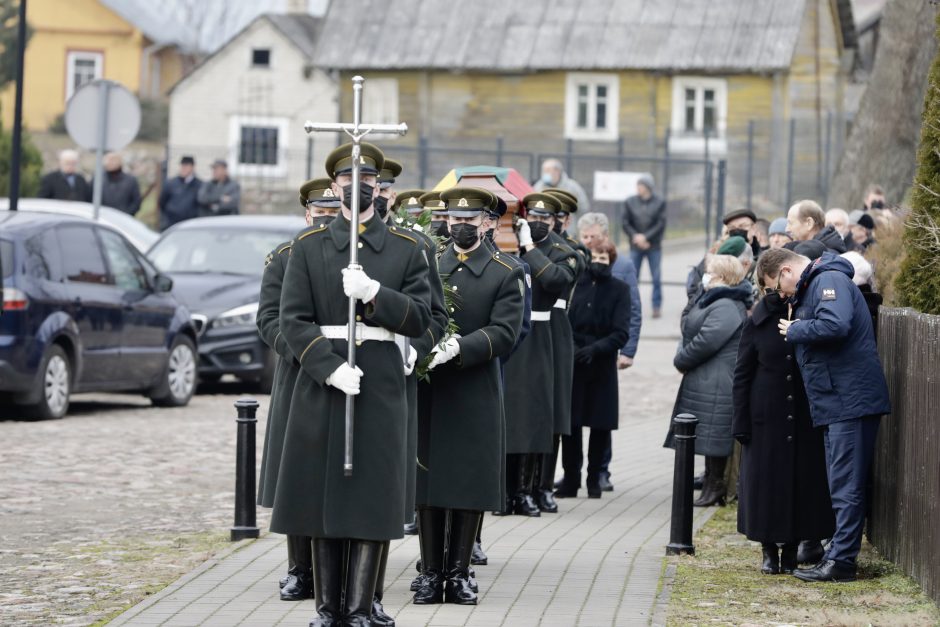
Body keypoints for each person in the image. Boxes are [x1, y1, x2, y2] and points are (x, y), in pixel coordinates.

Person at [272, 142, 432, 626]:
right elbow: (291, 320)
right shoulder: (308, 247)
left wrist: (376, 295)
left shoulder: (409, 248)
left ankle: (361, 608)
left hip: (379, 379)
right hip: (323, 382)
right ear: (335, 187)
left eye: (368, 181)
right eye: (347, 181)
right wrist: (327, 365)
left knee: (371, 494)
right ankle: (327, 608)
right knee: (323, 494)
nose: (357, 188)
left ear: (379, 189)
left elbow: (425, 317)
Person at [413, 187, 524, 606]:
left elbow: (507, 330)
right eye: (454, 219)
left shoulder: (504, 271)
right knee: (428, 485)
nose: (461, 225)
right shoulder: (430, 264)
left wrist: (462, 346)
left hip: (474, 387)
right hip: (432, 389)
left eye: (470, 219)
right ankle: (429, 572)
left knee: (465, 482)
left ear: (487, 223)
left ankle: (458, 573)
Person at [755, 248, 891, 583]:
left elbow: (835, 324)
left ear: (786, 270)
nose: (781, 295)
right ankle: (837, 555)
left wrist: (796, 329)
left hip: (849, 400)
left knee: (847, 485)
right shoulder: (818, 282)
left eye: (776, 287)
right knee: (840, 482)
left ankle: (841, 562)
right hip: (837, 400)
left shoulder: (827, 280)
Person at [256, 177, 339, 602]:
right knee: (299, 476)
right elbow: (270, 318)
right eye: (319, 213)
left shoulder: (351, 254)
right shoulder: (286, 257)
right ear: (307, 214)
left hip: (345, 371)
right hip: (299, 374)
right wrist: (307, 354)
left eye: (332, 212)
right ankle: (299, 568)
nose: (326, 220)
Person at [732, 284, 834, 576]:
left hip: (803, 417)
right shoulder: (756, 323)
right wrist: (740, 422)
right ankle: (768, 549)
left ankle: (790, 551)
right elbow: (742, 375)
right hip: (766, 417)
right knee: (766, 487)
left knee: (799, 487)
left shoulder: (806, 320)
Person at [499, 193, 577, 517]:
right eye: (534, 217)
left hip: (542, 335)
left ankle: (530, 488)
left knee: (537, 416)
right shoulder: (508, 244)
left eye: (545, 219)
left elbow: (555, 280)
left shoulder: (565, 252)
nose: (538, 223)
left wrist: (530, 249)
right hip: (512, 335)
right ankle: (505, 491)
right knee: (512, 416)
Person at [669, 254, 751, 507]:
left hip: (717, 380)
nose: (705, 276)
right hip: (707, 377)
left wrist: (682, 359)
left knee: (715, 435)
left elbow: (707, 340)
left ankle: (715, 486)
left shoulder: (726, 304)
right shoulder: (712, 299)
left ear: (723, 277)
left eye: (710, 272)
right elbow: (689, 325)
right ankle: (709, 484)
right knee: (706, 434)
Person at [557, 240, 630, 498]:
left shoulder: (620, 290)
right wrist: (574, 346)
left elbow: (621, 331)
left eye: (603, 258)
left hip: (601, 365)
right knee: (572, 426)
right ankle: (570, 478)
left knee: (600, 425)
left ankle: (594, 479)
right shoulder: (576, 285)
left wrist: (596, 349)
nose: (598, 262)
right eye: (595, 257)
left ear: (611, 260)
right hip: (575, 363)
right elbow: (564, 318)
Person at [576, 211, 642, 492]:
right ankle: (573, 474)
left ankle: (602, 470)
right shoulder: (578, 260)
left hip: (606, 350)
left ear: (605, 236)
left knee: (602, 414)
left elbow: (634, 309)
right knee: (578, 413)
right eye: (585, 237)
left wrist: (628, 350)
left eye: (594, 237)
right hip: (579, 352)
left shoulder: (622, 263)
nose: (589, 242)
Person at [622, 175, 667, 317]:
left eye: (641, 185)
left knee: (656, 277)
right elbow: (625, 222)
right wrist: (636, 237)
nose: (638, 188)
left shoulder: (659, 202)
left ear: (648, 187)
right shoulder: (630, 202)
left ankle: (656, 306)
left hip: (653, 246)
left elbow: (660, 224)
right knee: (633, 277)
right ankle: (631, 305)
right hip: (636, 246)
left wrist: (646, 237)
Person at [159, 156, 202, 231]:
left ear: (192, 167)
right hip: (172, 223)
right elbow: (162, 202)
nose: (184, 169)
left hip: (190, 224)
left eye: (186, 166)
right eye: (183, 166)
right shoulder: (171, 183)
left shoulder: (199, 185)